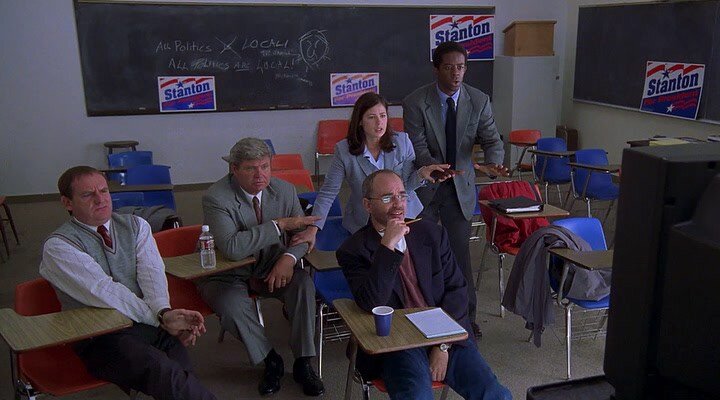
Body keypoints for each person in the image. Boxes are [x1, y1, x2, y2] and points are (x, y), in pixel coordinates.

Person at [39, 166, 215, 400]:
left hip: (144, 323)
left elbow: (152, 275)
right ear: (67, 203)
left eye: (104, 191)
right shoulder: (59, 246)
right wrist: (161, 319)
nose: (100, 199)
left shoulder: (136, 226)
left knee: (181, 373)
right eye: (88, 194)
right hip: (99, 336)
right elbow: (105, 292)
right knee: (166, 373)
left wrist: (164, 311)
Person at [336, 170, 511, 400]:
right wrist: (387, 247)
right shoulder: (353, 250)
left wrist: (443, 345)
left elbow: (458, 289)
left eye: (402, 195)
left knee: (495, 394)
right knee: (417, 396)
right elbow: (372, 302)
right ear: (368, 205)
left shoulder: (431, 233)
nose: (398, 204)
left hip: (446, 334)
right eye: (387, 198)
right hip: (398, 344)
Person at [199, 137, 324, 396]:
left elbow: (302, 238)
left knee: (303, 284)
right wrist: (279, 226)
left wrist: (288, 259)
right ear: (234, 169)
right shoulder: (216, 197)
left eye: (265, 167)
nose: (260, 175)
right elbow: (232, 248)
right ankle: (270, 360)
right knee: (232, 307)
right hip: (228, 273)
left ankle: (303, 362)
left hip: (273, 264)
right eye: (250, 168)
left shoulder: (285, 190)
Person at [403, 41, 509, 336]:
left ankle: (465, 319)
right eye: (449, 68)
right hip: (426, 188)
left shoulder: (478, 99)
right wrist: (435, 168)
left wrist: (493, 163)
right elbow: (417, 148)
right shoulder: (415, 102)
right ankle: (424, 317)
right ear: (436, 69)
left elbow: (492, 139)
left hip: (460, 190)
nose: (456, 74)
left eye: (461, 67)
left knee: (460, 257)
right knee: (421, 254)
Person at [290, 92, 449, 250]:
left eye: (383, 116)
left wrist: (421, 174)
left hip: (404, 216)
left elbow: (405, 187)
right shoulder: (344, 150)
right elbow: (328, 192)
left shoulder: (402, 142)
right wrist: (312, 229)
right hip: (364, 221)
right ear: (360, 121)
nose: (379, 122)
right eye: (371, 117)